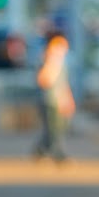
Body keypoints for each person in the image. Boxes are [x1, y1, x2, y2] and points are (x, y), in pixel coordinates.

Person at [33, 31, 75, 163]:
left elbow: (64, 83)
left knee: (57, 129)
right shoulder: (45, 59)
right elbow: (43, 80)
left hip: (60, 100)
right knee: (53, 130)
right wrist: (52, 62)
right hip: (48, 101)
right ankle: (59, 155)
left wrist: (68, 99)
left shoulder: (63, 61)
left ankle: (40, 151)